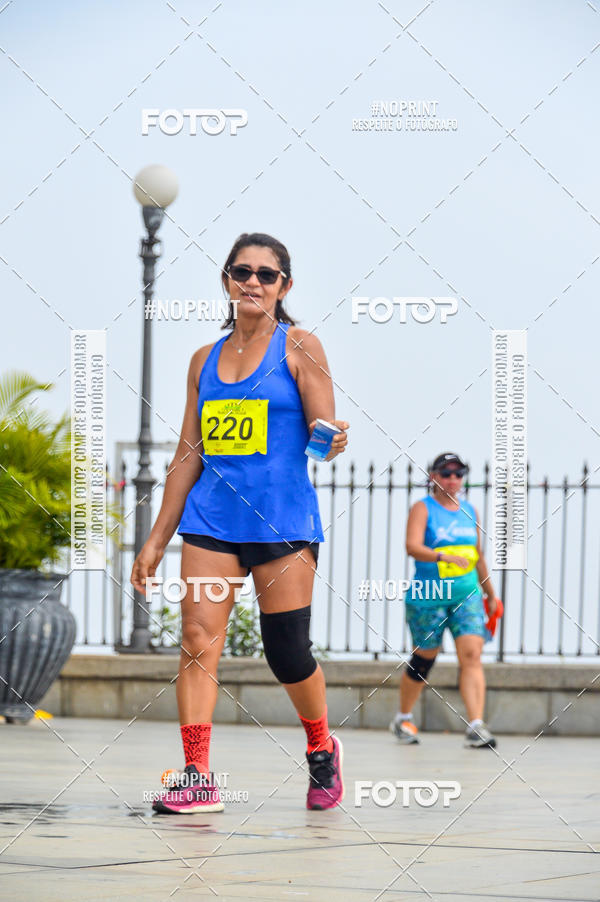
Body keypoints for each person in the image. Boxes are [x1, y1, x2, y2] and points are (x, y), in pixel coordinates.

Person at [131, 232, 349, 812]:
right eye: (241, 271)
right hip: (211, 522)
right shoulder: (203, 360)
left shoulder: (301, 346)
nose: (252, 282)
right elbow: (187, 454)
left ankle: (322, 747)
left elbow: (323, 435)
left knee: (287, 653)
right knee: (198, 640)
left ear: (285, 286)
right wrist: (155, 539)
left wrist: (334, 441)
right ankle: (196, 775)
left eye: (266, 274)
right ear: (227, 280)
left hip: (282, 525)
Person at [389, 452, 500, 748]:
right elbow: (411, 546)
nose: (453, 479)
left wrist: (491, 594)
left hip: (467, 595)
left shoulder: (470, 511)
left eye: (459, 473)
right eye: (446, 473)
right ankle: (403, 717)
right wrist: (442, 555)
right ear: (434, 477)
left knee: (472, 655)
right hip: (430, 596)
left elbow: (478, 556)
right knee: (425, 657)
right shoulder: (423, 508)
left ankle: (476, 725)